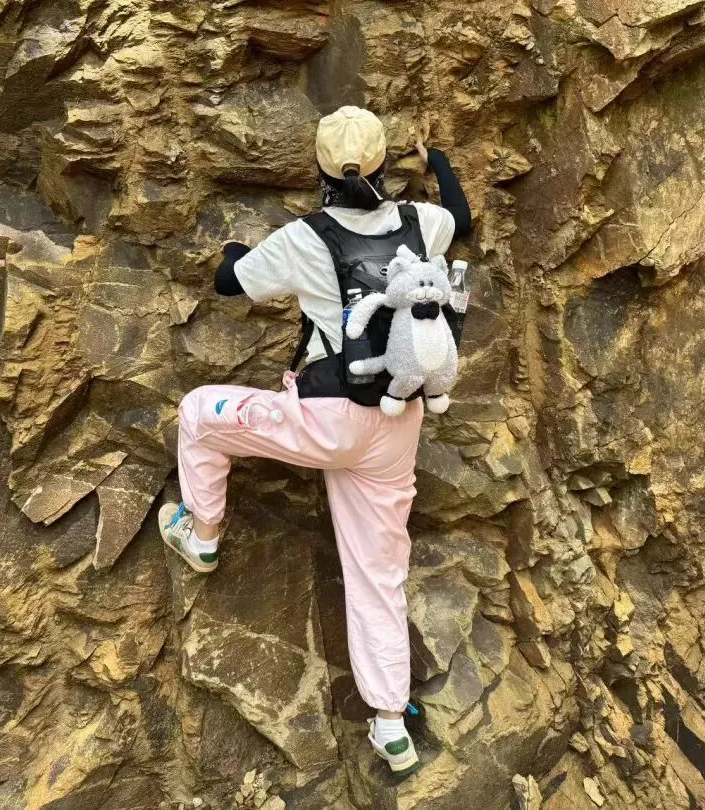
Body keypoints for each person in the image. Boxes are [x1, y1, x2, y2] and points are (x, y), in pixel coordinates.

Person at [159, 106, 471, 775]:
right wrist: (437, 160)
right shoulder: (424, 223)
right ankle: (391, 726)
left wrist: (235, 250)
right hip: (397, 428)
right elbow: (463, 218)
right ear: (384, 164)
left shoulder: (306, 237)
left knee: (197, 412)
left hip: (328, 419)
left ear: (321, 169)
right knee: (378, 574)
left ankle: (202, 534)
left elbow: (228, 283)